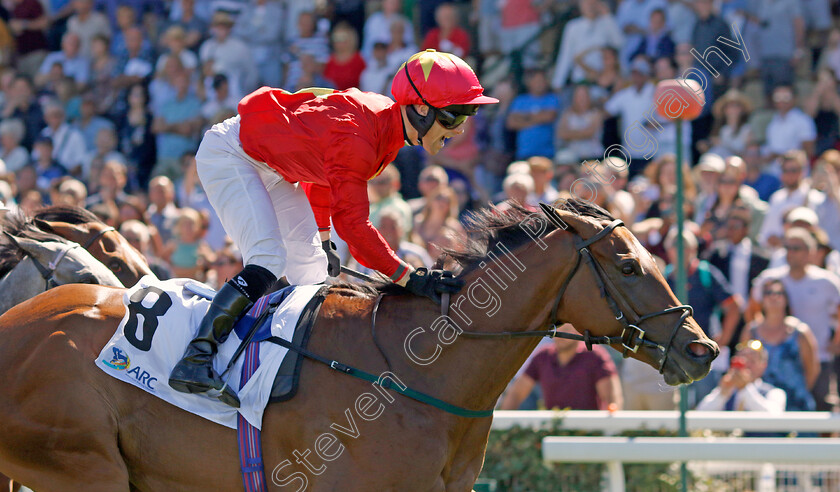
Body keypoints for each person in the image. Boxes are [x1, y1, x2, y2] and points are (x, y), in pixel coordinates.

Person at [168, 50, 497, 407]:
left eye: (468, 114)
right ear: (420, 109)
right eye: (454, 116)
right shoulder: (361, 136)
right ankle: (195, 359)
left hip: (275, 166)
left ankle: (285, 371)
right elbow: (355, 228)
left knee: (312, 272)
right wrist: (410, 278)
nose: (461, 128)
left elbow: (320, 175)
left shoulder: (385, 125)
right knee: (269, 258)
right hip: (232, 154)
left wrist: (324, 239)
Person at [500, 323, 622, 411]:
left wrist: (610, 427)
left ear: (578, 332)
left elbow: (612, 398)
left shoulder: (595, 355)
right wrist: (502, 427)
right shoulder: (542, 356)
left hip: (588, 433)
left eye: (566, 330)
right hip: (553, 429)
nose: (560, 336)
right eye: (557, 331)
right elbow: (516, 393)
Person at [743, 280, 818, 411]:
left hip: (796, 404)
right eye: (768, 293)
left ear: (786, 299)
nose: (774, 297)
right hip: (761, 405)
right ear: (762, 299)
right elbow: (744, 363)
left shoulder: (800, 332)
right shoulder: (751, 331)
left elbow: (812, 370)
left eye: (779, 293)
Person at [695, 340, 787, 413]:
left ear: (763, 366)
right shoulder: (728, 389)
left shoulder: (775, 392)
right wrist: (722, 393)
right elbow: (700, 414)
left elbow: (773, 417)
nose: (746, 365)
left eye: (752, 361)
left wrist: (745, 388)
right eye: (742, 360)